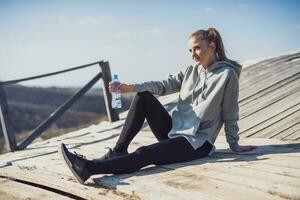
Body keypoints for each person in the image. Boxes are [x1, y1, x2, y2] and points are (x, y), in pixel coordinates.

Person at [60, 27, 257, 184]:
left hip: (197, 143)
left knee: (146, 153)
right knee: (144, 97)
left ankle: (89, 167)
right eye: (190, 50)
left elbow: (230, 111)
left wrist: (234, 144)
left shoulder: (227, 75)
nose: (193, 54)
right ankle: (119, 150)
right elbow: (162, 85)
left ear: (212, 46)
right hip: (175, 132)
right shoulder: (191, 70)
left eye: (197, 48)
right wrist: (130, 88)